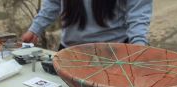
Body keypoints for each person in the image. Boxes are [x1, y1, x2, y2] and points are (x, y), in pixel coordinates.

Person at [22, 0, 153, 50]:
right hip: (70, 52)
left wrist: (139, 44)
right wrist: (35, 29)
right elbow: (53, 2)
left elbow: (138, 12)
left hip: (113, 54)